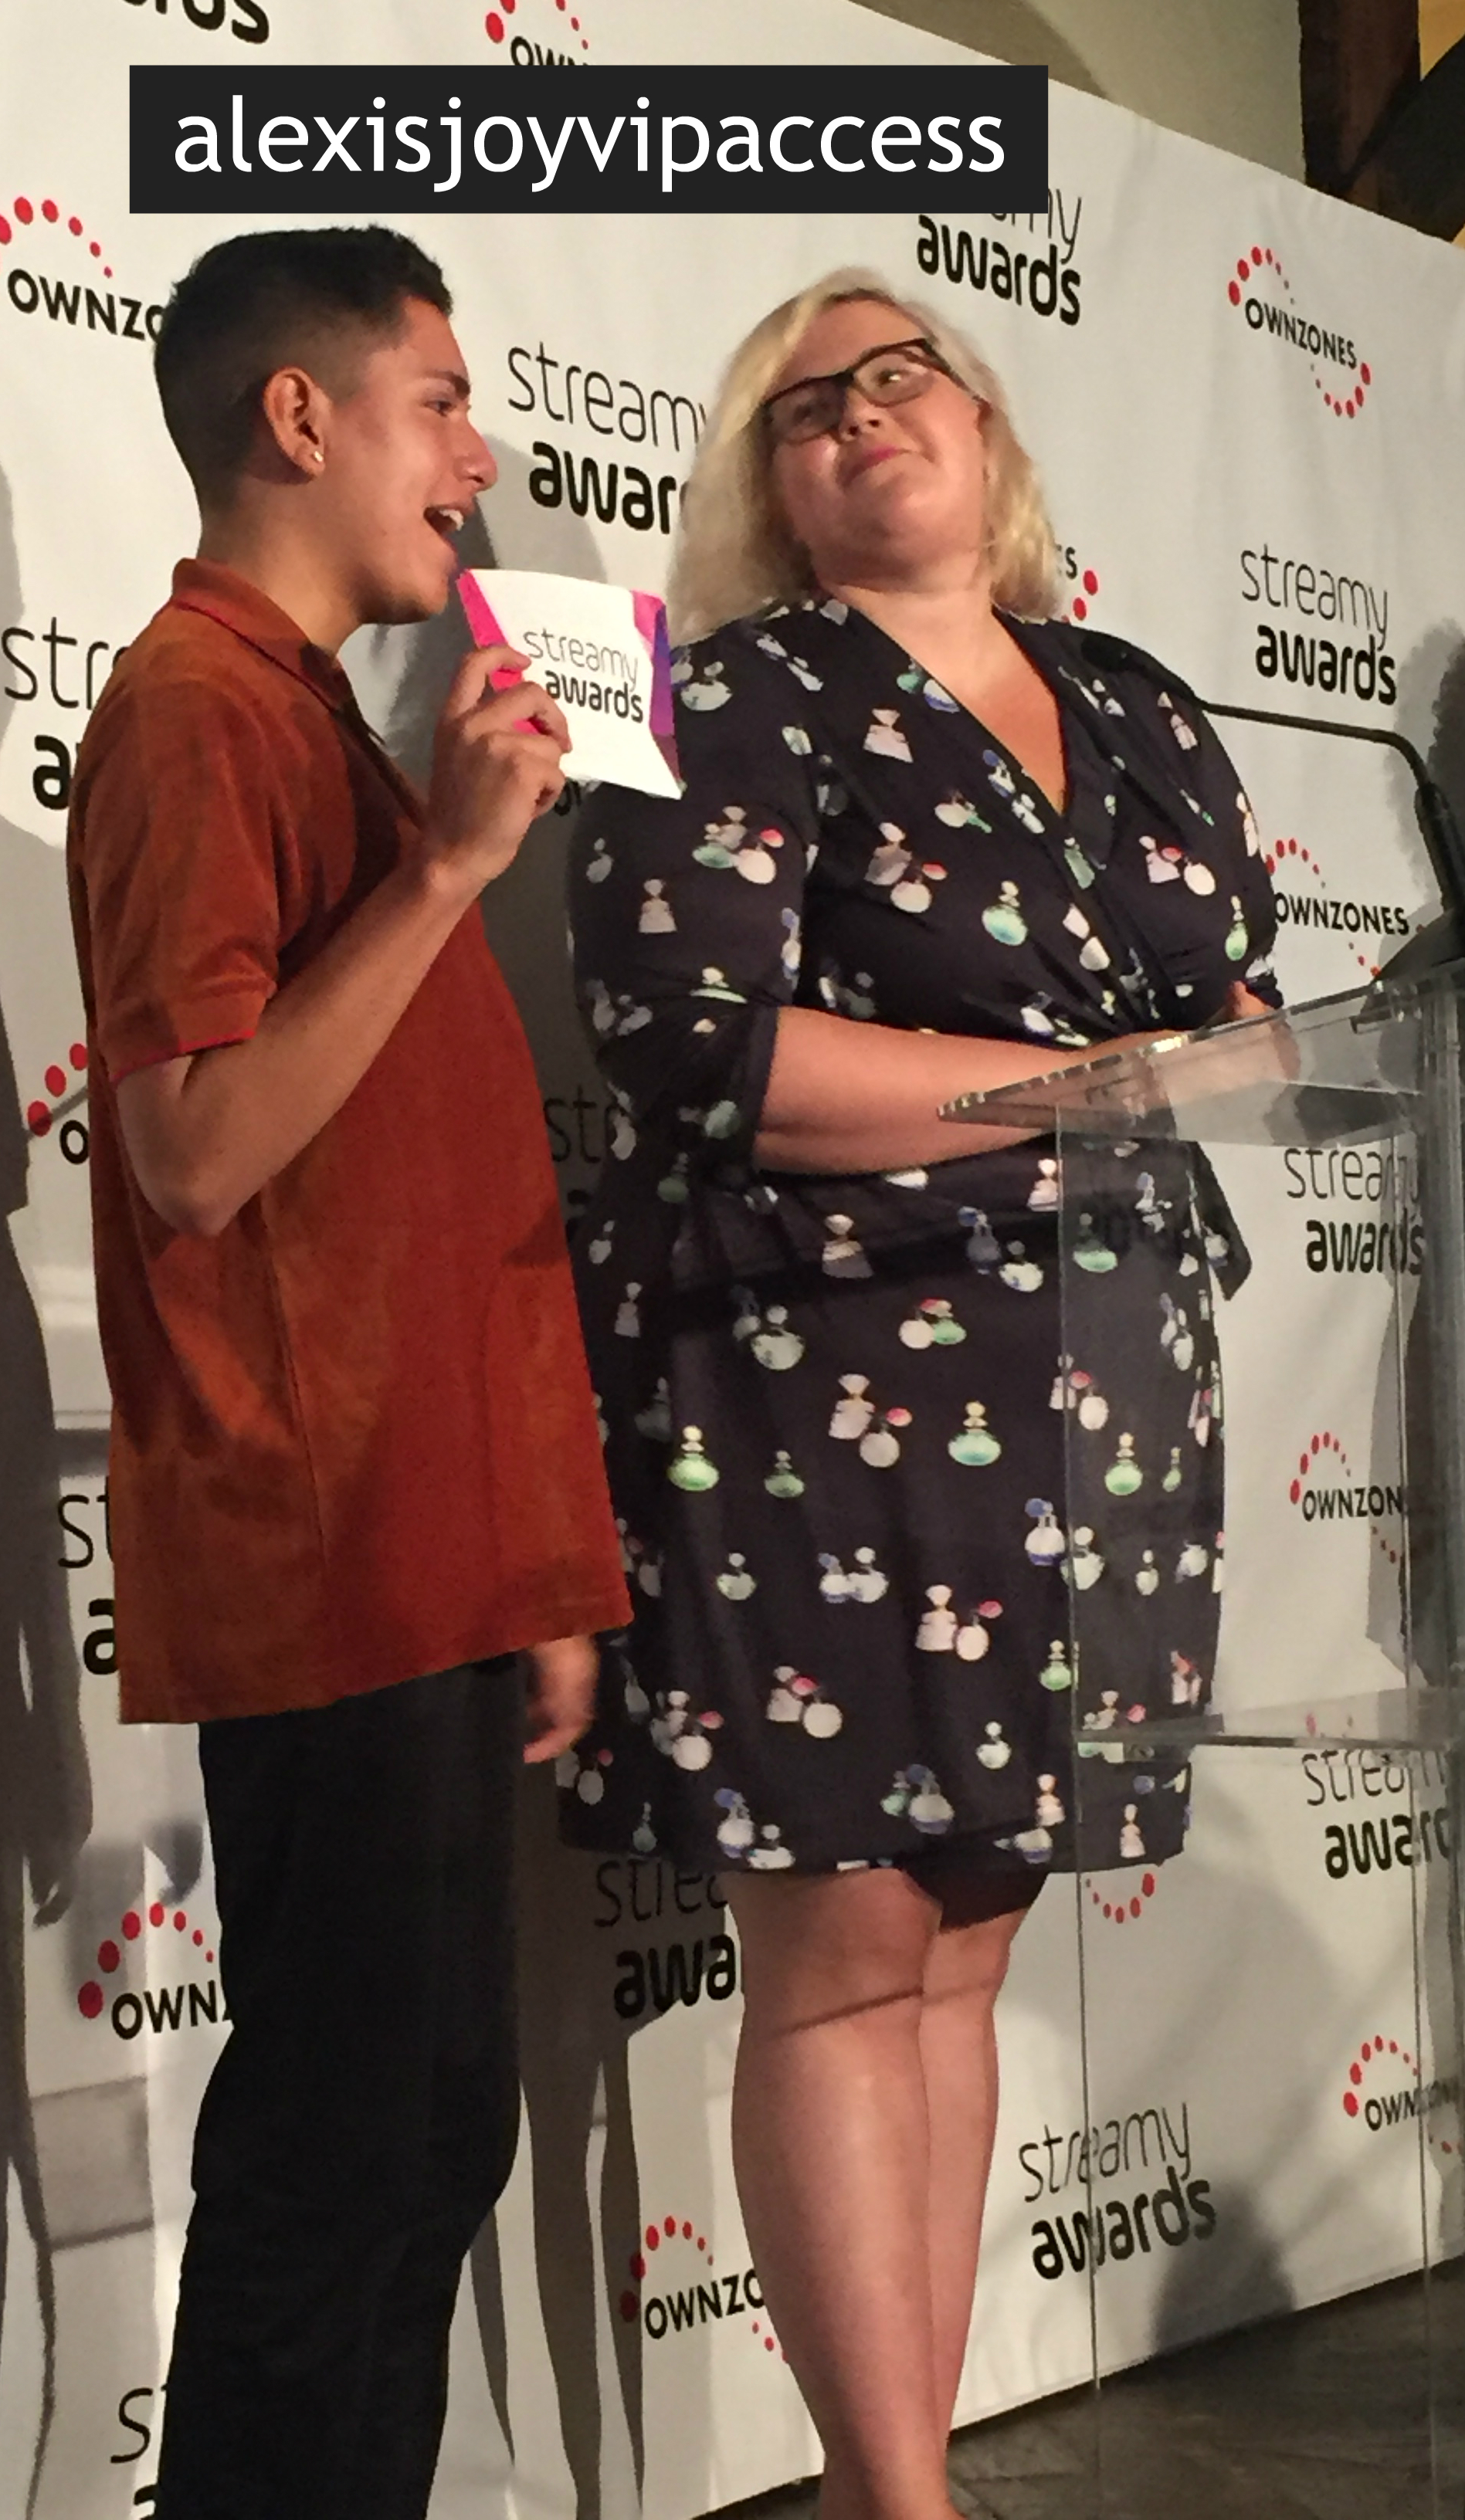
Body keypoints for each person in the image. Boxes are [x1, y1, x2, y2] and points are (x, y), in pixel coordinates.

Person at [562, 269, 1279, 2520]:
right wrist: (1086, 1089)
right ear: (769, 488)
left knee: (964, 1950)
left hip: (1103, 1386)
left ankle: (916, 2473)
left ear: (986, 428)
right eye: (807, 408)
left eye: (904, 376)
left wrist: (1147, 1078)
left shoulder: (1135, 701)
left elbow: (1249, 1022)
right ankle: (898, 2503)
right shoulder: (721, 693)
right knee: (855, 1954)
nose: (864, 416)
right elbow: (711, 1054)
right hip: (822, 1378)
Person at [66, 225, 629, 2520]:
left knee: (421, 2143)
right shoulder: (191, 711)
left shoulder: (310, 721)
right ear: (300, 418)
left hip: (429, 1554)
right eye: (442, 402)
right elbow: (195, 1153)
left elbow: (411, 1197)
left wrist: (538, 1568)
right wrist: (450, 873)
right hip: (326, 1554)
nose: (479, 461)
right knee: (340, 2159)